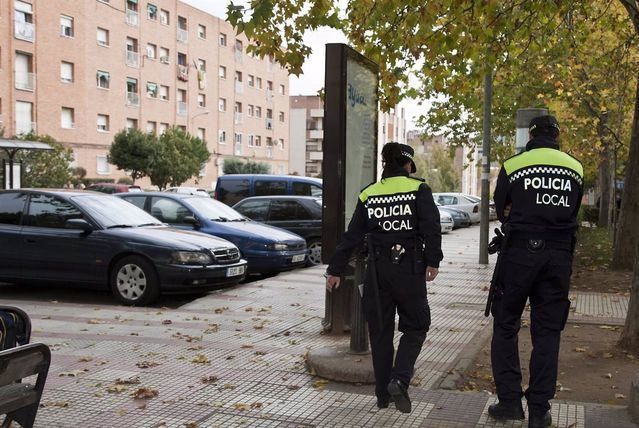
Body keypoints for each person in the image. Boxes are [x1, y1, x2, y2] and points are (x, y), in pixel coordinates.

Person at [325, 142, 443, 414]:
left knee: (380, 333)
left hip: (377, 273)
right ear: (407, 165)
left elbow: (352, 236)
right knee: (415, 326)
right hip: (410, 270)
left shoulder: (370, 194)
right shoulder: (418, 190)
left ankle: (382, 396)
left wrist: (335, 270)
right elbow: (431, 228)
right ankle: (399, 380)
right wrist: (433, 261)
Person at [489, 115, 583, 428]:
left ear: (530, 136)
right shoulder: (575, 167)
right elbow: (572, 211)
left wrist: (517, 210)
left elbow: (501, 206)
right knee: (547, 332)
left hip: (517, 254)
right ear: (558, 135)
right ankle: (540, 410)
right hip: (558, 256)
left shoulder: (514, 164)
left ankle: (509, 402)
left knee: (505, 325)